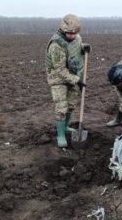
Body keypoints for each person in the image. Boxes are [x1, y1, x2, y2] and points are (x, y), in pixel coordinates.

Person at [45, 14, 91, 148]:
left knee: (71, 104)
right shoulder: (56, 45)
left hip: (73, 75)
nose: (72, 35)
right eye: (69, 33)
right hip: (58, 78)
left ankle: (65, 127)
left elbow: (77, 49)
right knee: (61, 107)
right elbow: (60, 70)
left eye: (74, 33)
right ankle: (60, 134)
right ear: (63, 30)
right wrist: (77, 80)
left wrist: (85, 48)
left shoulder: (77, 38)